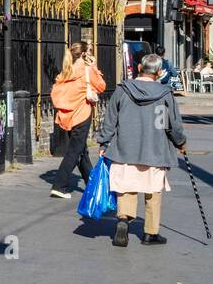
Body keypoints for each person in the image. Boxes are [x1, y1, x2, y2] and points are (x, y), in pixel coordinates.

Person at [96, 53, 187, 247]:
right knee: (153, 190)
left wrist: (104, 143)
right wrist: (180, 142)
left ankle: (123, 219)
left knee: (126, 187)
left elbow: (110, 120)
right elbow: (169, 124)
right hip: (154, 149)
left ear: (139, 68)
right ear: (160, 72)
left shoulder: (122, 90)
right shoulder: (164, 94)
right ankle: (150, 233)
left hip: (125, 148)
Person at [49, 41, 107, 198]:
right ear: (84, 54)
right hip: (81, 114)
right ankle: (59, 185)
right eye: (89, 52)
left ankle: (91, 184)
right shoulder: (86, 70)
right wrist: (94, 66)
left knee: (81, 151)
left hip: (66, 115)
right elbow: (101, 86)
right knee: (74, 152)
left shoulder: (66, 71)